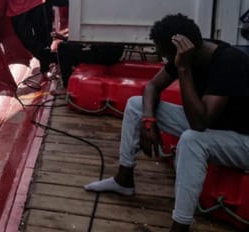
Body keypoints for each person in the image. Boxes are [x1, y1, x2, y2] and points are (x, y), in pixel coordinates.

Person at [84, 13, 249, 231]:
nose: (164, 61)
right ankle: (124, 180)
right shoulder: (190, 53)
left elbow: (199, 123)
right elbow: (152, 87)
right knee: (136, 105)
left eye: (165, 56)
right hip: (215, 126)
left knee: (192, 140)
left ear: (178, 52)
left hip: (242, 139)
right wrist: (149, 120)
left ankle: (180, 226)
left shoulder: (228, 62)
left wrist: (183, 69)